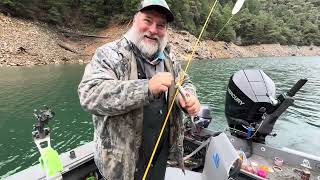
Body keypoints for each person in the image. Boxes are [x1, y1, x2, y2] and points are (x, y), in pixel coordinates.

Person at [78, 0, 201, 179]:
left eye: (161, 25)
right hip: (121, 165)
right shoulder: (108, 54)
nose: (153, 29)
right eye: (147, 20)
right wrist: (146, 88)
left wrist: (188, 98)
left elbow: (184, 81)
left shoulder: (169, 57)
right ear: (135, 20)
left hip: (160, 157)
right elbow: (89, 95)